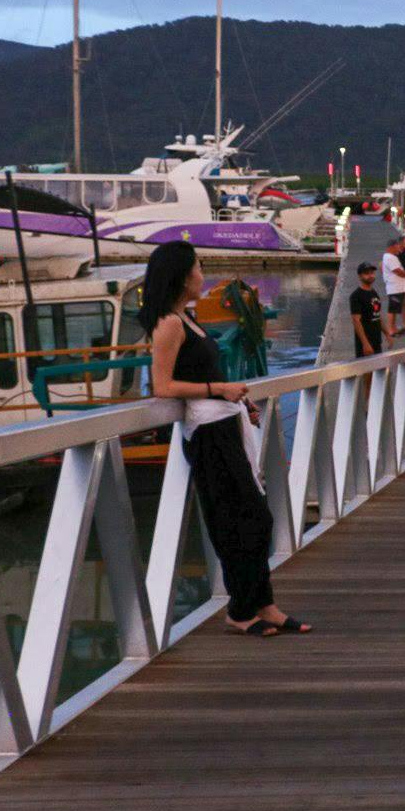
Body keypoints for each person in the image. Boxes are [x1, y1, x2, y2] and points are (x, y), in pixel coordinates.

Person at [140, 241, 310, 637]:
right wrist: (219, 389)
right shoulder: (169, 324)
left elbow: (198, 373)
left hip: (225, 423)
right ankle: (241, 609)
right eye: (198, 268)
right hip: (208, 433)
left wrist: (238, 402)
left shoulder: (188, 318)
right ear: (183, 276)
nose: (202, 275)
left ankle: (265, 605)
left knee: (256, 517)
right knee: (240, 521)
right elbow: (162, 386)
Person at [349, 262, 384, 357]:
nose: (370, 275)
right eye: (366, 273)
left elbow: (377, 315)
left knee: (378, 365)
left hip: (377, 340)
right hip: (365, 343)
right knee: (366, 366)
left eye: (372, 273)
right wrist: (365, 343)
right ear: (360, 276)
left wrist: (387, 334)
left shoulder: (374, 293)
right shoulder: (356, 296)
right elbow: (356, 320)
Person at [380, 237, 405, 339]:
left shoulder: (392, 257)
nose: (399, 248)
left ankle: (394, 327)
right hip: (394, 287)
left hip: (398, 287)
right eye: (397, 246)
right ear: (392, 247)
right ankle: (390, 329)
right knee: (392, 309)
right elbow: (397, 270)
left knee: (395, 309)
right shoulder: (389, 257)